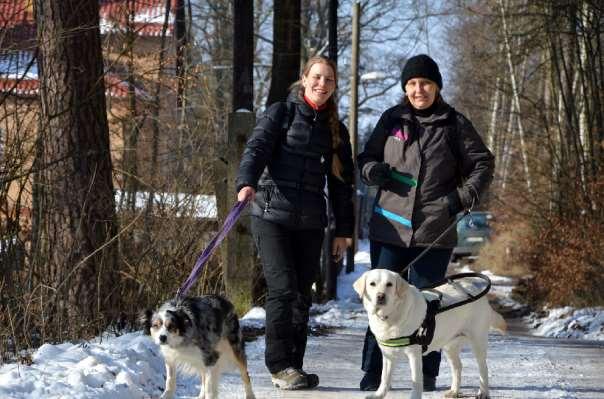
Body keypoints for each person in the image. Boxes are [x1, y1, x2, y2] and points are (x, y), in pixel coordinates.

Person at [357, 54, 495, 392]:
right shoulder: (392, 119)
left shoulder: (454, 124)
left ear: (437, 86)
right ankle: (374, 373)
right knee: (379, 301)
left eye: (426, 83)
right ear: (406, 88)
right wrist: (371, 170)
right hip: (389, 227)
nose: (419, 90)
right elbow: (366, 157)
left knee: (429, 305)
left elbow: (483, 163)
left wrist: (462, 197)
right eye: (413, 84)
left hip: (435, 229)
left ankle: (428, 374)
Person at [236, 55, 355, 390]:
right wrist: (245, 182)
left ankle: (294, 367)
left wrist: (343, 231)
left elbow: (343, 184)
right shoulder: (280, 113)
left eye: (329, 80)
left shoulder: (336, 130)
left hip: (311, 222)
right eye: (316, 77)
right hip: (271, 215)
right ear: (304, 79)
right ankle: (278, 365)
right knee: (283, 288)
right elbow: (256, 149)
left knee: (303, 294)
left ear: (334, 86)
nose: (322, 84)